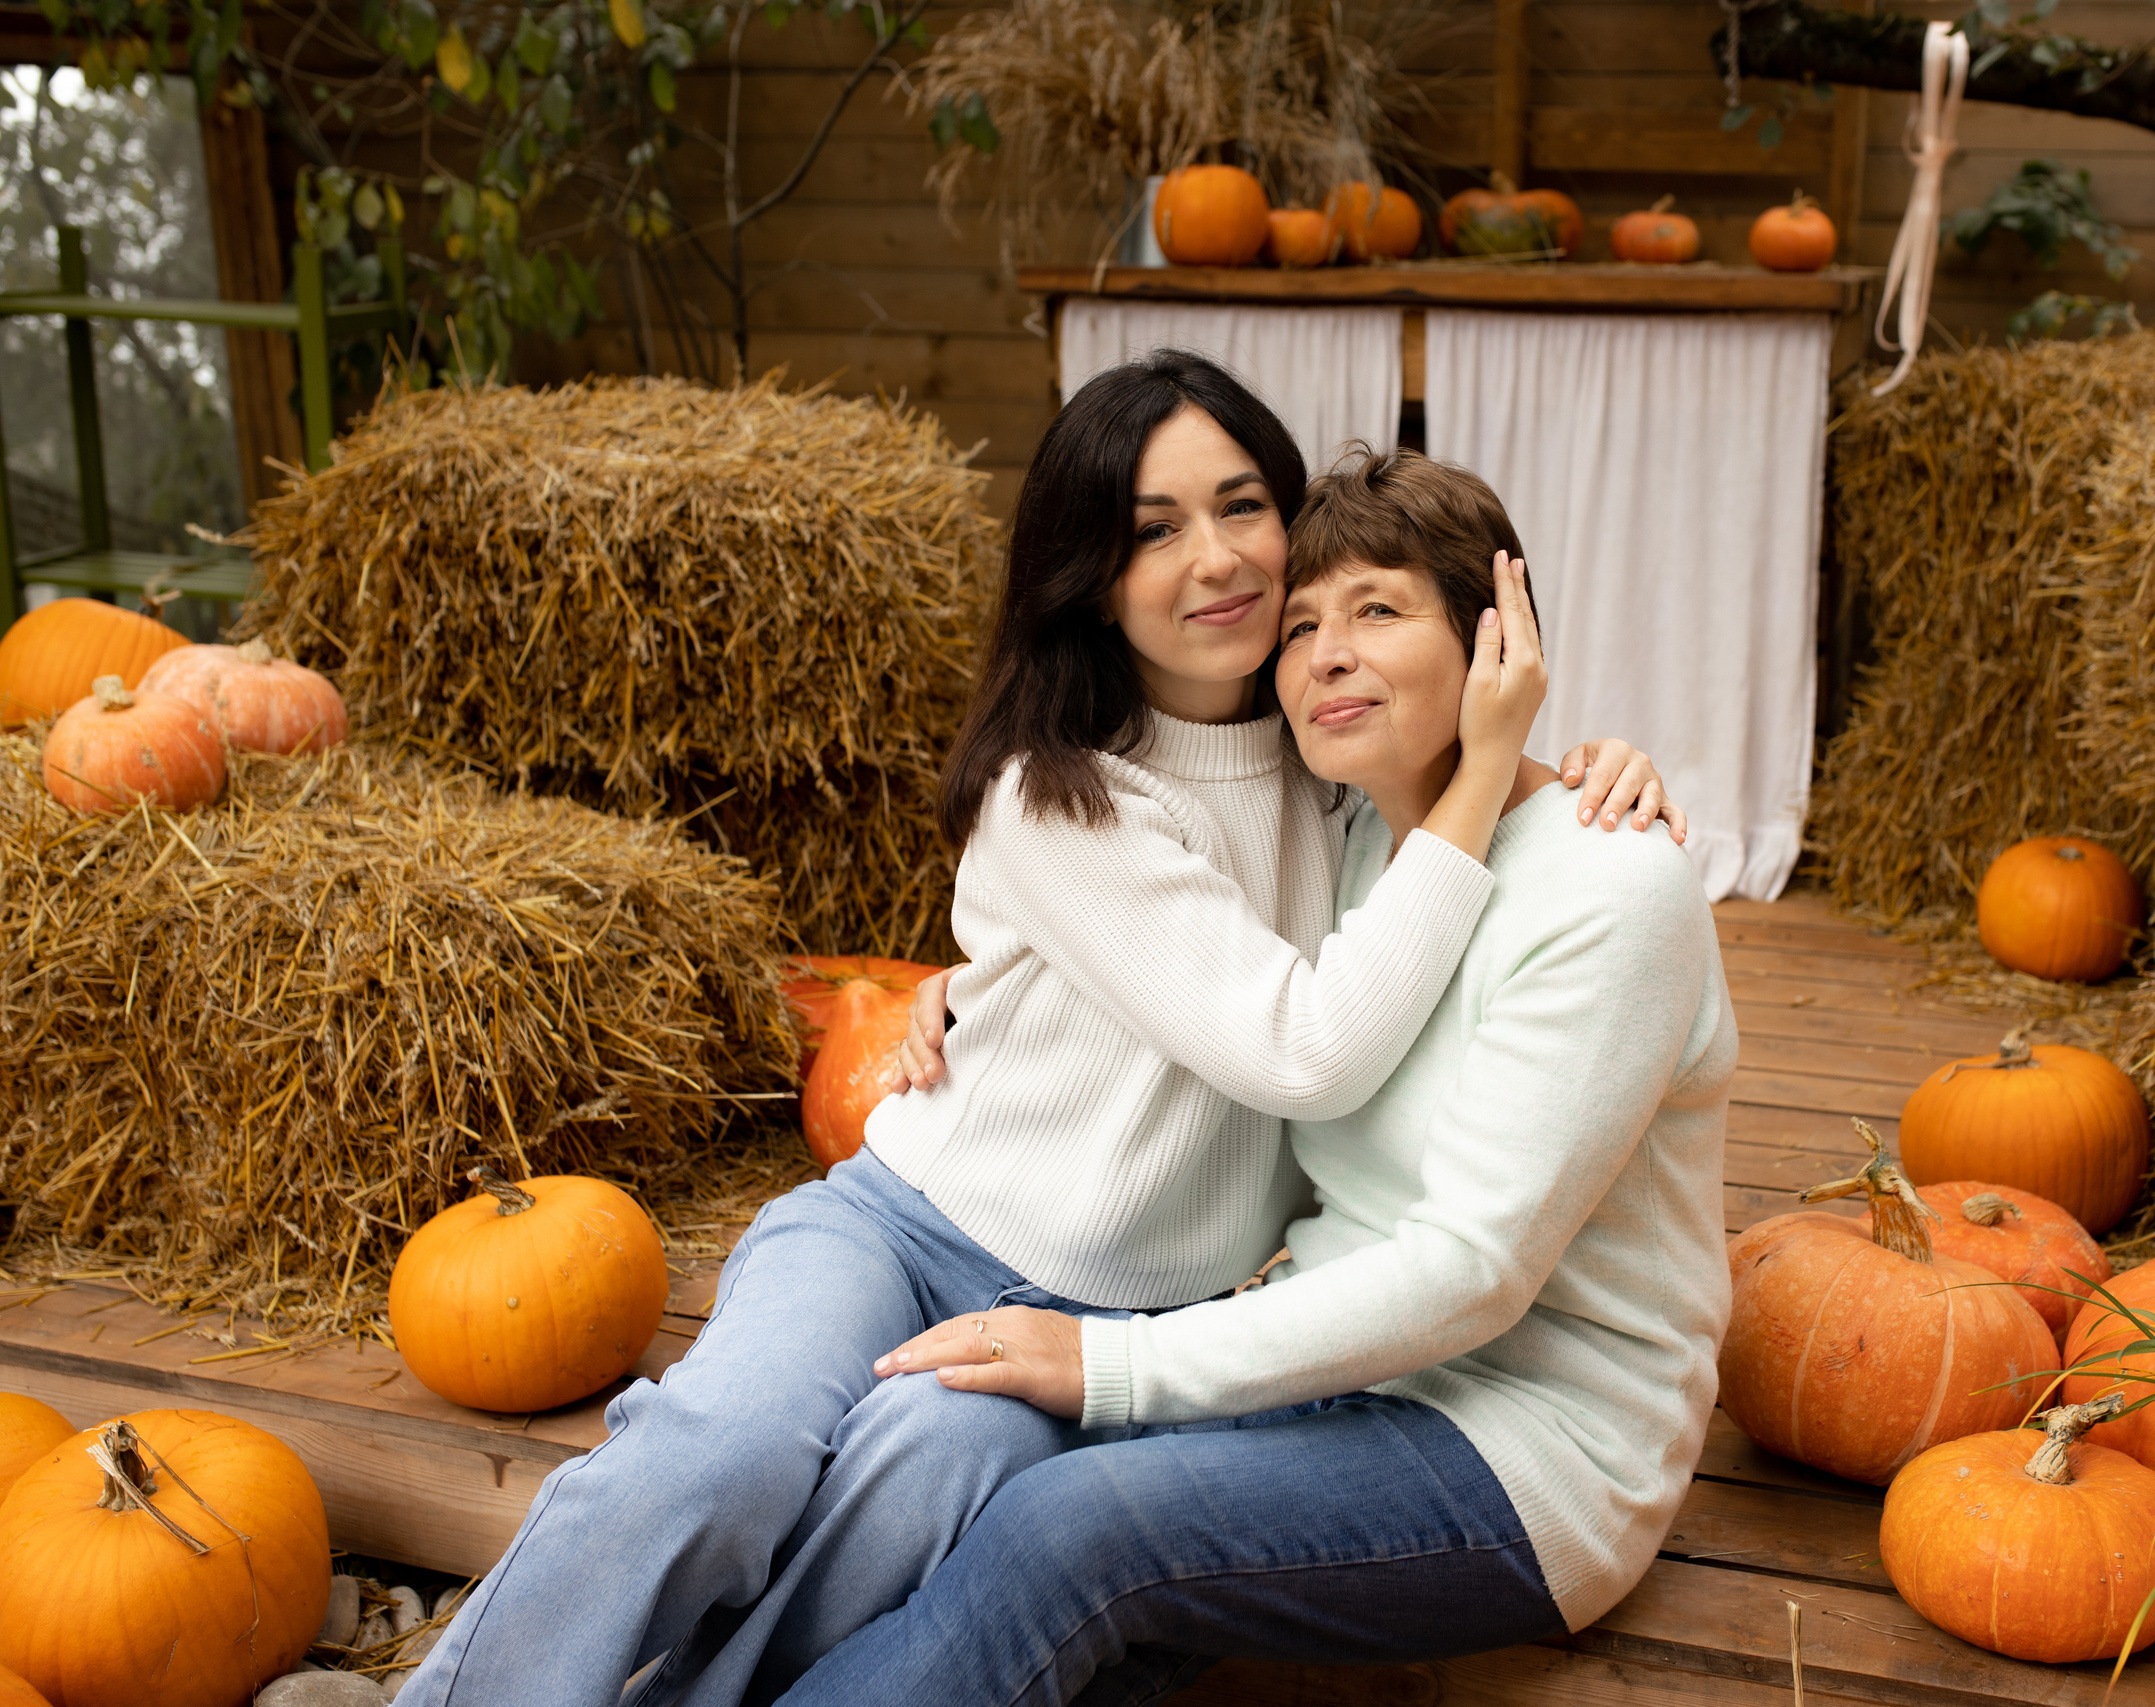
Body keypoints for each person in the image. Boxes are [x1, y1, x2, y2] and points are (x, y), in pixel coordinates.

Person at [399, 352, 1680, 1707]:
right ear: (1089, 575)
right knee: (716, 1453)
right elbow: (1304, 1042)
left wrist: (1571, 767)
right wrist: (1493, 775)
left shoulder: (1343, 780)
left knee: (922, 1475)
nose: (1218, 560)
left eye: (1243, 508)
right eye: (1151, 530)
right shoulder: (1056, 786)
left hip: (1115, 1306)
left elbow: (1408, 858)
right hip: (909, 1224)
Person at [770, 448, 1736, 1707]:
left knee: (1068, 1533)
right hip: (1324, 1372)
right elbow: (1182, 979)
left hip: (1526, 1447)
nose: (1327, 654)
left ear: (1499, 641)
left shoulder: (1610, 888)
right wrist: (963, 993)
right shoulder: (1337, 851)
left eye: (1378, 610)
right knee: (974, 1483)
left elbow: (1473, 1274)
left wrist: (1106, 1364)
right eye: (1300, 626)